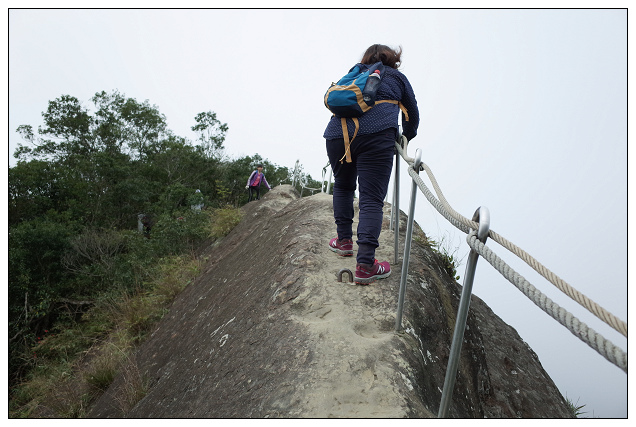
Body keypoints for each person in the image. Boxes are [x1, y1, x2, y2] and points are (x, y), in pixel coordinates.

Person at [324, 44, 419, 284]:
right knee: (371, 199)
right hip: (377, 138)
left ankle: (343, 242)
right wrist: (405, 137)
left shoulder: (354, 73)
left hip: (338, 136)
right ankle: (365, 265)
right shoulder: (397, 77)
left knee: (343, 186)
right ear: (393, 59)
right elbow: (411, 115)